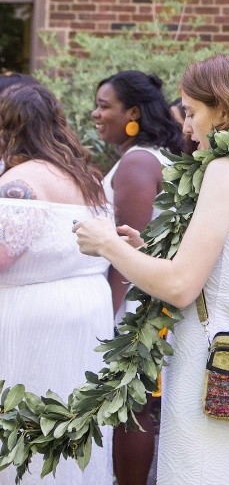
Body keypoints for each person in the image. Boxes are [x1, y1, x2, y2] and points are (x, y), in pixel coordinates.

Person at [74, 54, 229, 485]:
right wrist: (140, 252)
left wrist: (107, 246)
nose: (185, 127)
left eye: (192, 112)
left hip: (206, 366)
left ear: (226, 110)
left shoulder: (225, 171)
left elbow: (180, 286)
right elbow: (222, 270)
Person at [0, 82, 114, 485]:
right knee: (68, 423)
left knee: (28, 428)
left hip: (35, 321)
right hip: (86, 315)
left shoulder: (21, 184)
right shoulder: (87, 177)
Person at [92, 70, 185, 485]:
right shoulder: (156, 156)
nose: (95, 114)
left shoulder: (137, 163)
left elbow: (127, 254)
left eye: (104, 105)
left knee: (132, 406)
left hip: (132, 305)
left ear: (132, 112)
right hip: (150, 300)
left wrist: (106, 320)